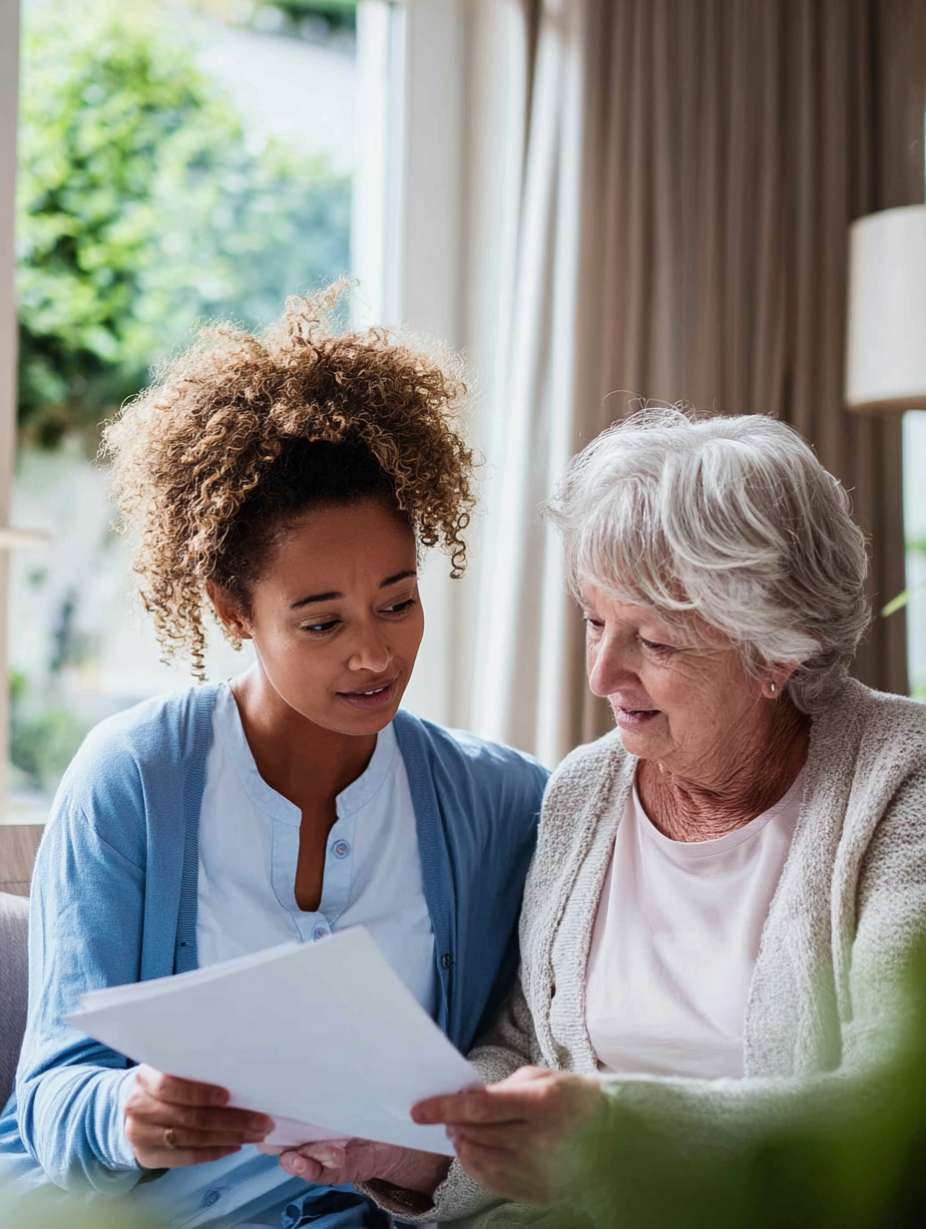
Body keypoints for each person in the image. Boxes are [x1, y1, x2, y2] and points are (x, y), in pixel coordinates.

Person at [284, 408, 926, 1224]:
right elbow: (524, 1049)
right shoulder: (587, 790)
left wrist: (616, 1129)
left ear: (776, 649)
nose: (602, 674)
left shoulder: (902, 781)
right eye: (594, 621)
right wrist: (408, 1142)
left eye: (653, 642)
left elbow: (892, 1112)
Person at [0, 289, 548, 1228]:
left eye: (399, 601)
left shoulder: (498, 802)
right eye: (323, 621)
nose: (373, 654)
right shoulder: (135, 779)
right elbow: (51, 1089)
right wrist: (127, 1114)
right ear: (231, 609)